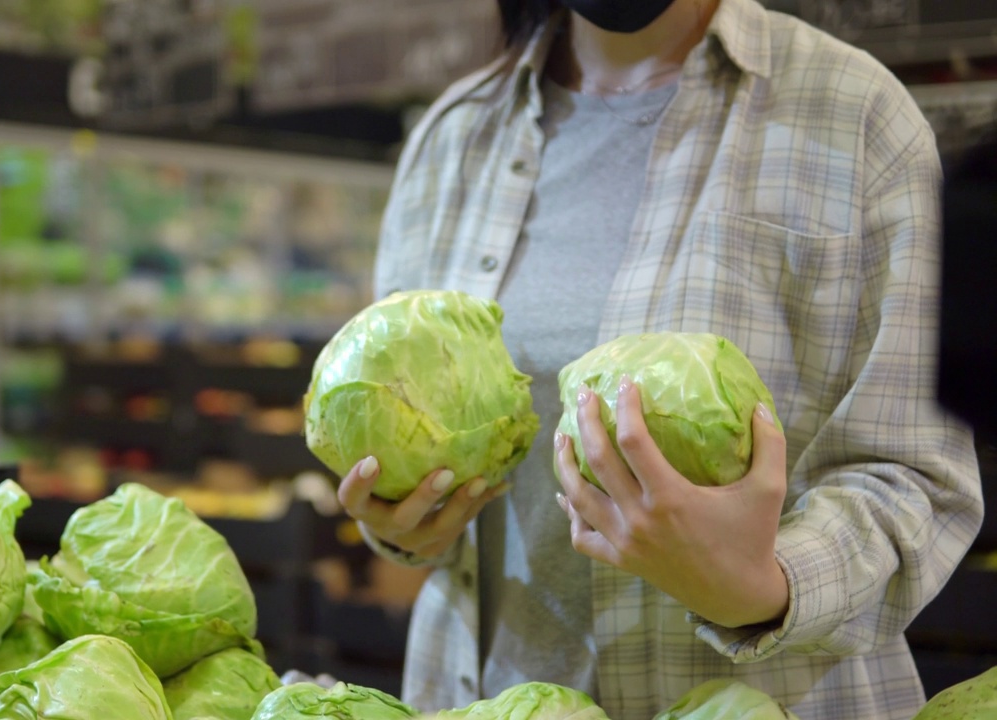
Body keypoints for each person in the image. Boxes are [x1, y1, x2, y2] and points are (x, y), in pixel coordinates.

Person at [334, 0, 986, 719]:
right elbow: (403, 414)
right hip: (483, 695)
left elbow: (918, 477)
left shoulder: (855, 115)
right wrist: (401, 523)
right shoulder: (453, 138)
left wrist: (762, 586)